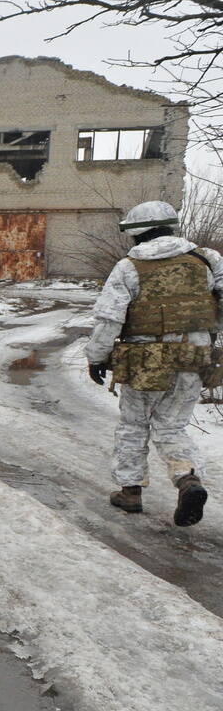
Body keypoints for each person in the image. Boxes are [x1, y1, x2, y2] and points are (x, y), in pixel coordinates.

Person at [85, 200, 223, 526]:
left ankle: (130, 492)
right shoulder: (208, 259)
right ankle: (187, 479)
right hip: (193, 358)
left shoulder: (128, 267)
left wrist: (97, 357)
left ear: (137, 232)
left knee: (134, 425)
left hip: (144, 361)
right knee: (173, 425)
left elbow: (109, 319)